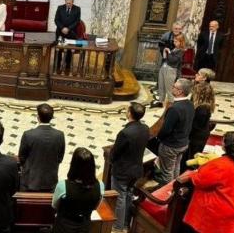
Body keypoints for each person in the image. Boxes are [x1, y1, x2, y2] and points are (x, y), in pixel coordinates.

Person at [184, 132, 234, 233]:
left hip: (218, 210)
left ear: (227, 146)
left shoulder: (220, 164)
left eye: (223, 140)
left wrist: (195, 172)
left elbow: (198, 180)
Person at [110, 102, 150, 232]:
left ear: (130, 114)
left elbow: (115, 153)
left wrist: (111, 160)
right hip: (136, 170)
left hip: (122, 171)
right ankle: (126, 224)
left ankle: (118, 227)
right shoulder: (145, 128)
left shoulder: (125, 133)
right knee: (128, 195)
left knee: (120, 197)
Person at [52, 147, 105, 233]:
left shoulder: (63, 186)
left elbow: (55, 205)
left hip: (63, 227)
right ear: (92, 166)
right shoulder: (100, 186)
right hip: (84, 226)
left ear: (73, 165)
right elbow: (95, 207)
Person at [155, 78, 195, 185]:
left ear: (180, 92)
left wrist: (158, 137)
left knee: (167, 171)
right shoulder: (190, 104)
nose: (172, 87)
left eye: (174, 87)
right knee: (176, 167)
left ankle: (168, 193)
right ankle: (176, 187)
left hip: (171, 146)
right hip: (183, 143)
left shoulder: (175, 108)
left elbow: (166, 129)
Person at [19, 103, 65, 192]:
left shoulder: (28, 135)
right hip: (50, 183)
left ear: (38, 117)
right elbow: (60, 158)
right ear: (52, 118)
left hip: (30, 183)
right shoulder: (59, 135)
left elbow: (22, 158)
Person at [182, 77, 216, 171]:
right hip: (200, 135)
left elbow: (195, 127)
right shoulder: (205, 106)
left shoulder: (202, 109)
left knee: (191, 159)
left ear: (200, 95)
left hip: (197, 138)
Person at [157, 34, 185, 108]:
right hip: (164, 68)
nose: (174, 43)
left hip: (171, 70)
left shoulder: (181, 51)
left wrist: (169, 52)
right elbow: (166, 59)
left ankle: (171, 105)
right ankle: (161, 102)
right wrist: (164, 53)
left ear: (181, 42)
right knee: (161, 86)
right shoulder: (174, 49)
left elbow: (173, 61)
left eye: (176, 41)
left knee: (169, 89)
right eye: (174, 41)